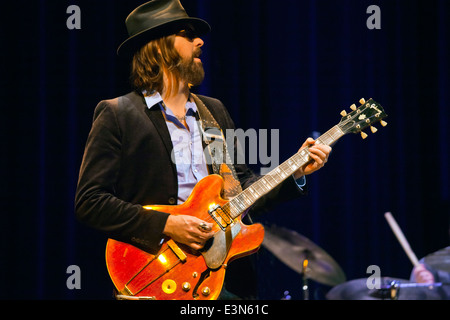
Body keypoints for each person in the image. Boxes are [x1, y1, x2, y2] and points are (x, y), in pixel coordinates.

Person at [75, 0, 332, 299]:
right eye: (187, 34)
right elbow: (90, 202)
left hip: (226, 276)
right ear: (158, 48)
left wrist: (295, 171)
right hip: (159, 271)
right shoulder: (119, 114)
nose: (200, 41)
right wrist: (168, 224)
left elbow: (242, 190)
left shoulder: (213, 111)